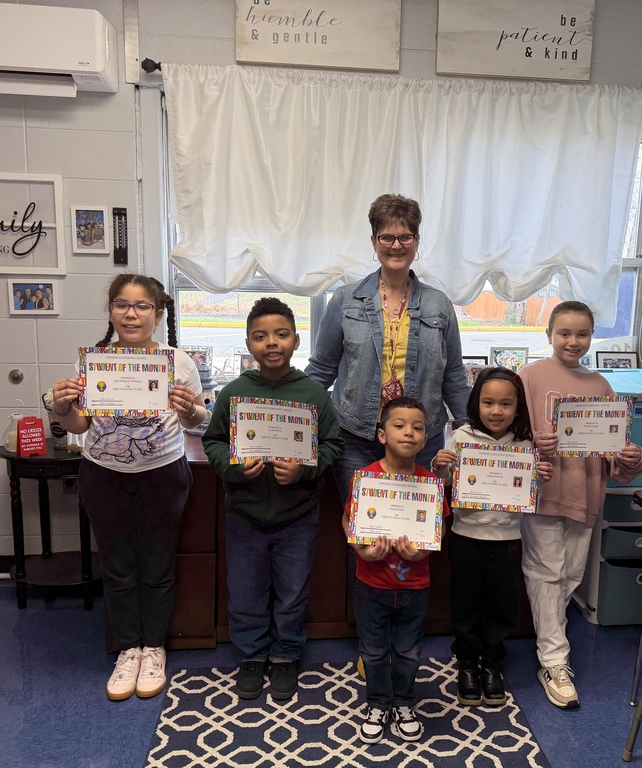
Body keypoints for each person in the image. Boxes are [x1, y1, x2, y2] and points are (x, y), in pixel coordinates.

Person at [49, 273, 207, 701]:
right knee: (118, 567)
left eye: (141, 306)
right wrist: (63, 408)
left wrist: (190, 408)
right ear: (111, 311)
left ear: (157, 314)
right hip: (104, 472)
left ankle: (153, 648)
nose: (131, 313)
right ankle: (128, 649)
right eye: (122, 304)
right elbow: (80, 424)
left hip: (163, 472)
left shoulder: (179, 361)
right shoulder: (96, 361)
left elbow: (199, 423)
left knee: (156, 566)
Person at [203, 297, 343, 702]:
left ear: (296, 341)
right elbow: (213, 441)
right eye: (261, 337)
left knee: (293, 591)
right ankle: (251, 656)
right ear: (249, 344)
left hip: (298, 516)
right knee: (245, 590)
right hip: (244, 514)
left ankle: (284, 655)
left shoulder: (314, 394)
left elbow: (332, 444)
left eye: (281, 335)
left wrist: (305, 469)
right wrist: (232, 467)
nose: (272, 343)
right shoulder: (234, 393)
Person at [518, 301, 642, 710]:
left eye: (582, 334)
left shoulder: (602, 388)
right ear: (549, 335)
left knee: (569, 576)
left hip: (586, 495)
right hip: (542, 494)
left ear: (592, 337)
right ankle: (555, 660)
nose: (573, 341)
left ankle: (551, 646)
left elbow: (616, 455)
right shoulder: (529, 378)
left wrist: (628, 458)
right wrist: (534, 444)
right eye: (565, 333)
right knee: (545, 573)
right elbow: (508, 437)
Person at [305, 193, 470, 500]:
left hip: (421, 442)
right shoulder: (345, 300)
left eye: (405, 236)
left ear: (417, 241)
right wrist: (291, 419)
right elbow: (321, 371)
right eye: (387, 237)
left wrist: (473, 436)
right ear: (374, 241)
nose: (396, 245)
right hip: (357, 440)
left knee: (416, 532)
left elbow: (454, 378)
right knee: (364, 534)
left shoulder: (439, 305)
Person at [431, 367, 553, 708]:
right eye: (488, 402)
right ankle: (467, 663)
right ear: (476, 403)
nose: (496, 411)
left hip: (507, 539)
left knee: (501, 605)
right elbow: (445, 481)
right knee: (466, 602)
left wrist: (541, 476)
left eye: (505, 404)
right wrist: (439, 464)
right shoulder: (462, 437)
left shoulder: (524, 444)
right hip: (466, 536)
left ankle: (491, 663)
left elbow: (531, 492)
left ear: (518, 408)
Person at [344, 396, 448, 744]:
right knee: (372, 650)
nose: (409, 433)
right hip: (370, 583)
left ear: (425, 437)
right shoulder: (365, 478)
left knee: (408, 650)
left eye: (418, 428)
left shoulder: (431, 483)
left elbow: (439, 527)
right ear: (381, 434)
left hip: (416, 585)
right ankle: (377, 703)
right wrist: (360, 546)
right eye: (399, 425)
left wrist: (423, 550)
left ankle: (403, 702)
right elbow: (348, 518)